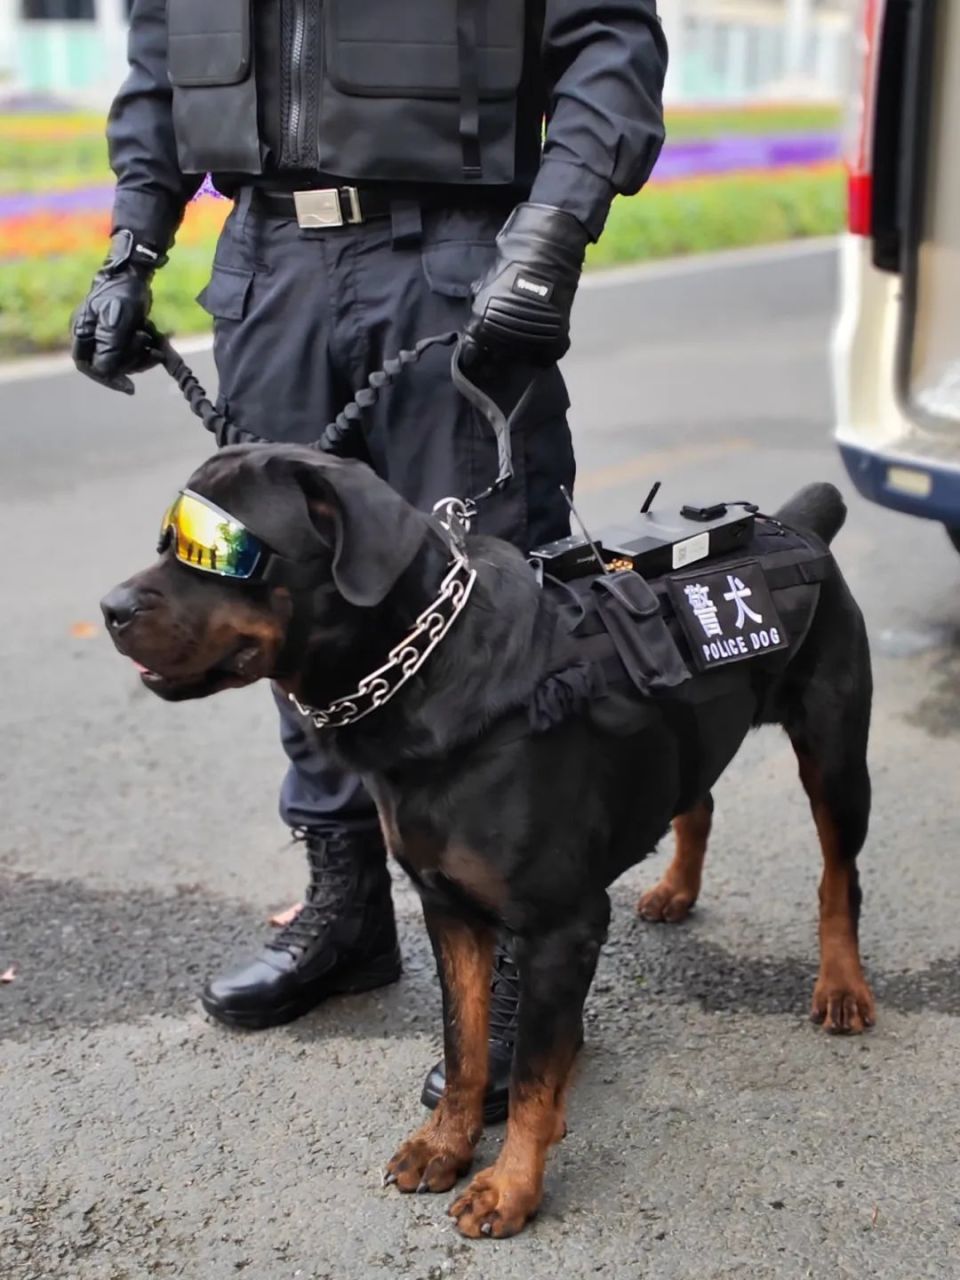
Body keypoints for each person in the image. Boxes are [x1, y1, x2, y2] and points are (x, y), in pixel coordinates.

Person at [73, 0, 667, 1120]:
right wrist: (132, 240)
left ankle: (534, 978)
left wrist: (549, 233)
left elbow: (608, 39)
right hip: (266, 265)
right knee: (281, 606)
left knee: (496, 616)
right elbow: (161, 58)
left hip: (453, 252)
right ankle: (346, 914)